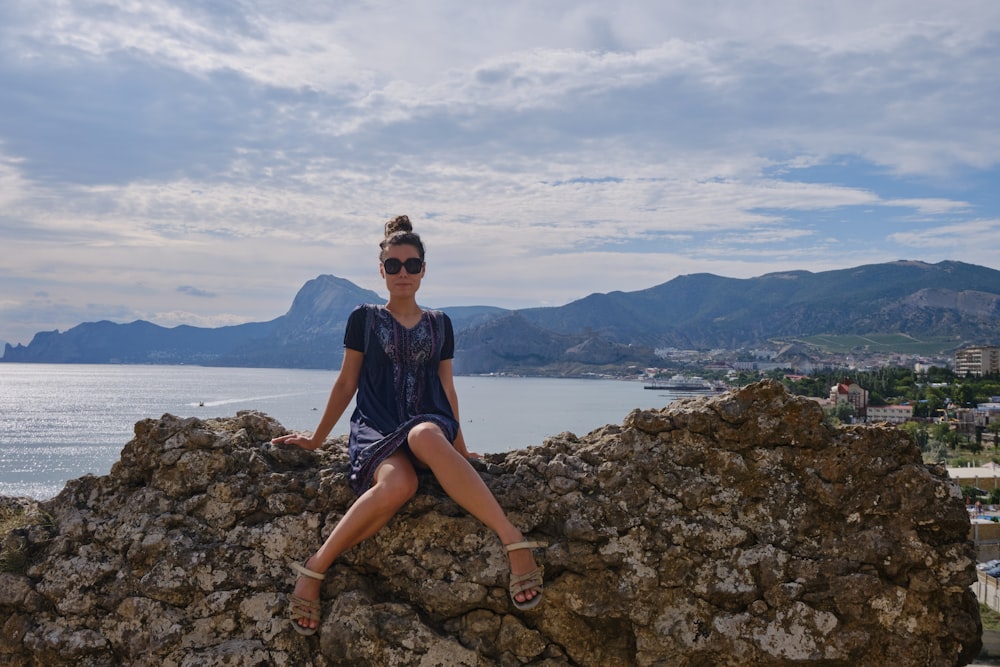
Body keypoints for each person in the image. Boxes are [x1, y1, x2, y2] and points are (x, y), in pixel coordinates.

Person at [272, 215, 545, 635]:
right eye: (394, 265)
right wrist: (315, 439)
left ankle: (512, 540)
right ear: (381, 270)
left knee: (425, 434)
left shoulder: (440, 324)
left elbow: (446, 387)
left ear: (423, 269)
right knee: (400, 486)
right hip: (376, 426)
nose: (403, 273)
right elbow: (347, 382)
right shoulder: (363, 318)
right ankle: (315, 567)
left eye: (412, 265)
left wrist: (462, 448)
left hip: (427, 422)